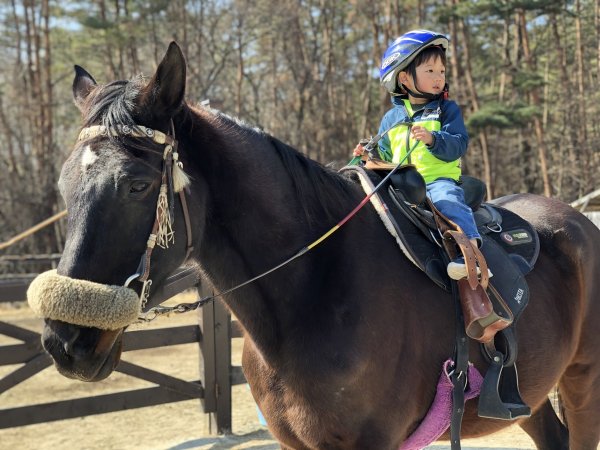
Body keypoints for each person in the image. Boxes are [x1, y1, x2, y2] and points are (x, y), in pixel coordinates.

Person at [354, 29, 488, 281]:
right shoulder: (391, 119)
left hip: (436, 181)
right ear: (404, 77)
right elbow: (384, 156)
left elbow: (458, 145)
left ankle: (470, 253)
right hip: (401, 190)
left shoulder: (446, 110)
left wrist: (433, 139)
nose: (439, 77)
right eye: (430, 71)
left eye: (442, 72)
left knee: (447, 201)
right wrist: (366, 156)